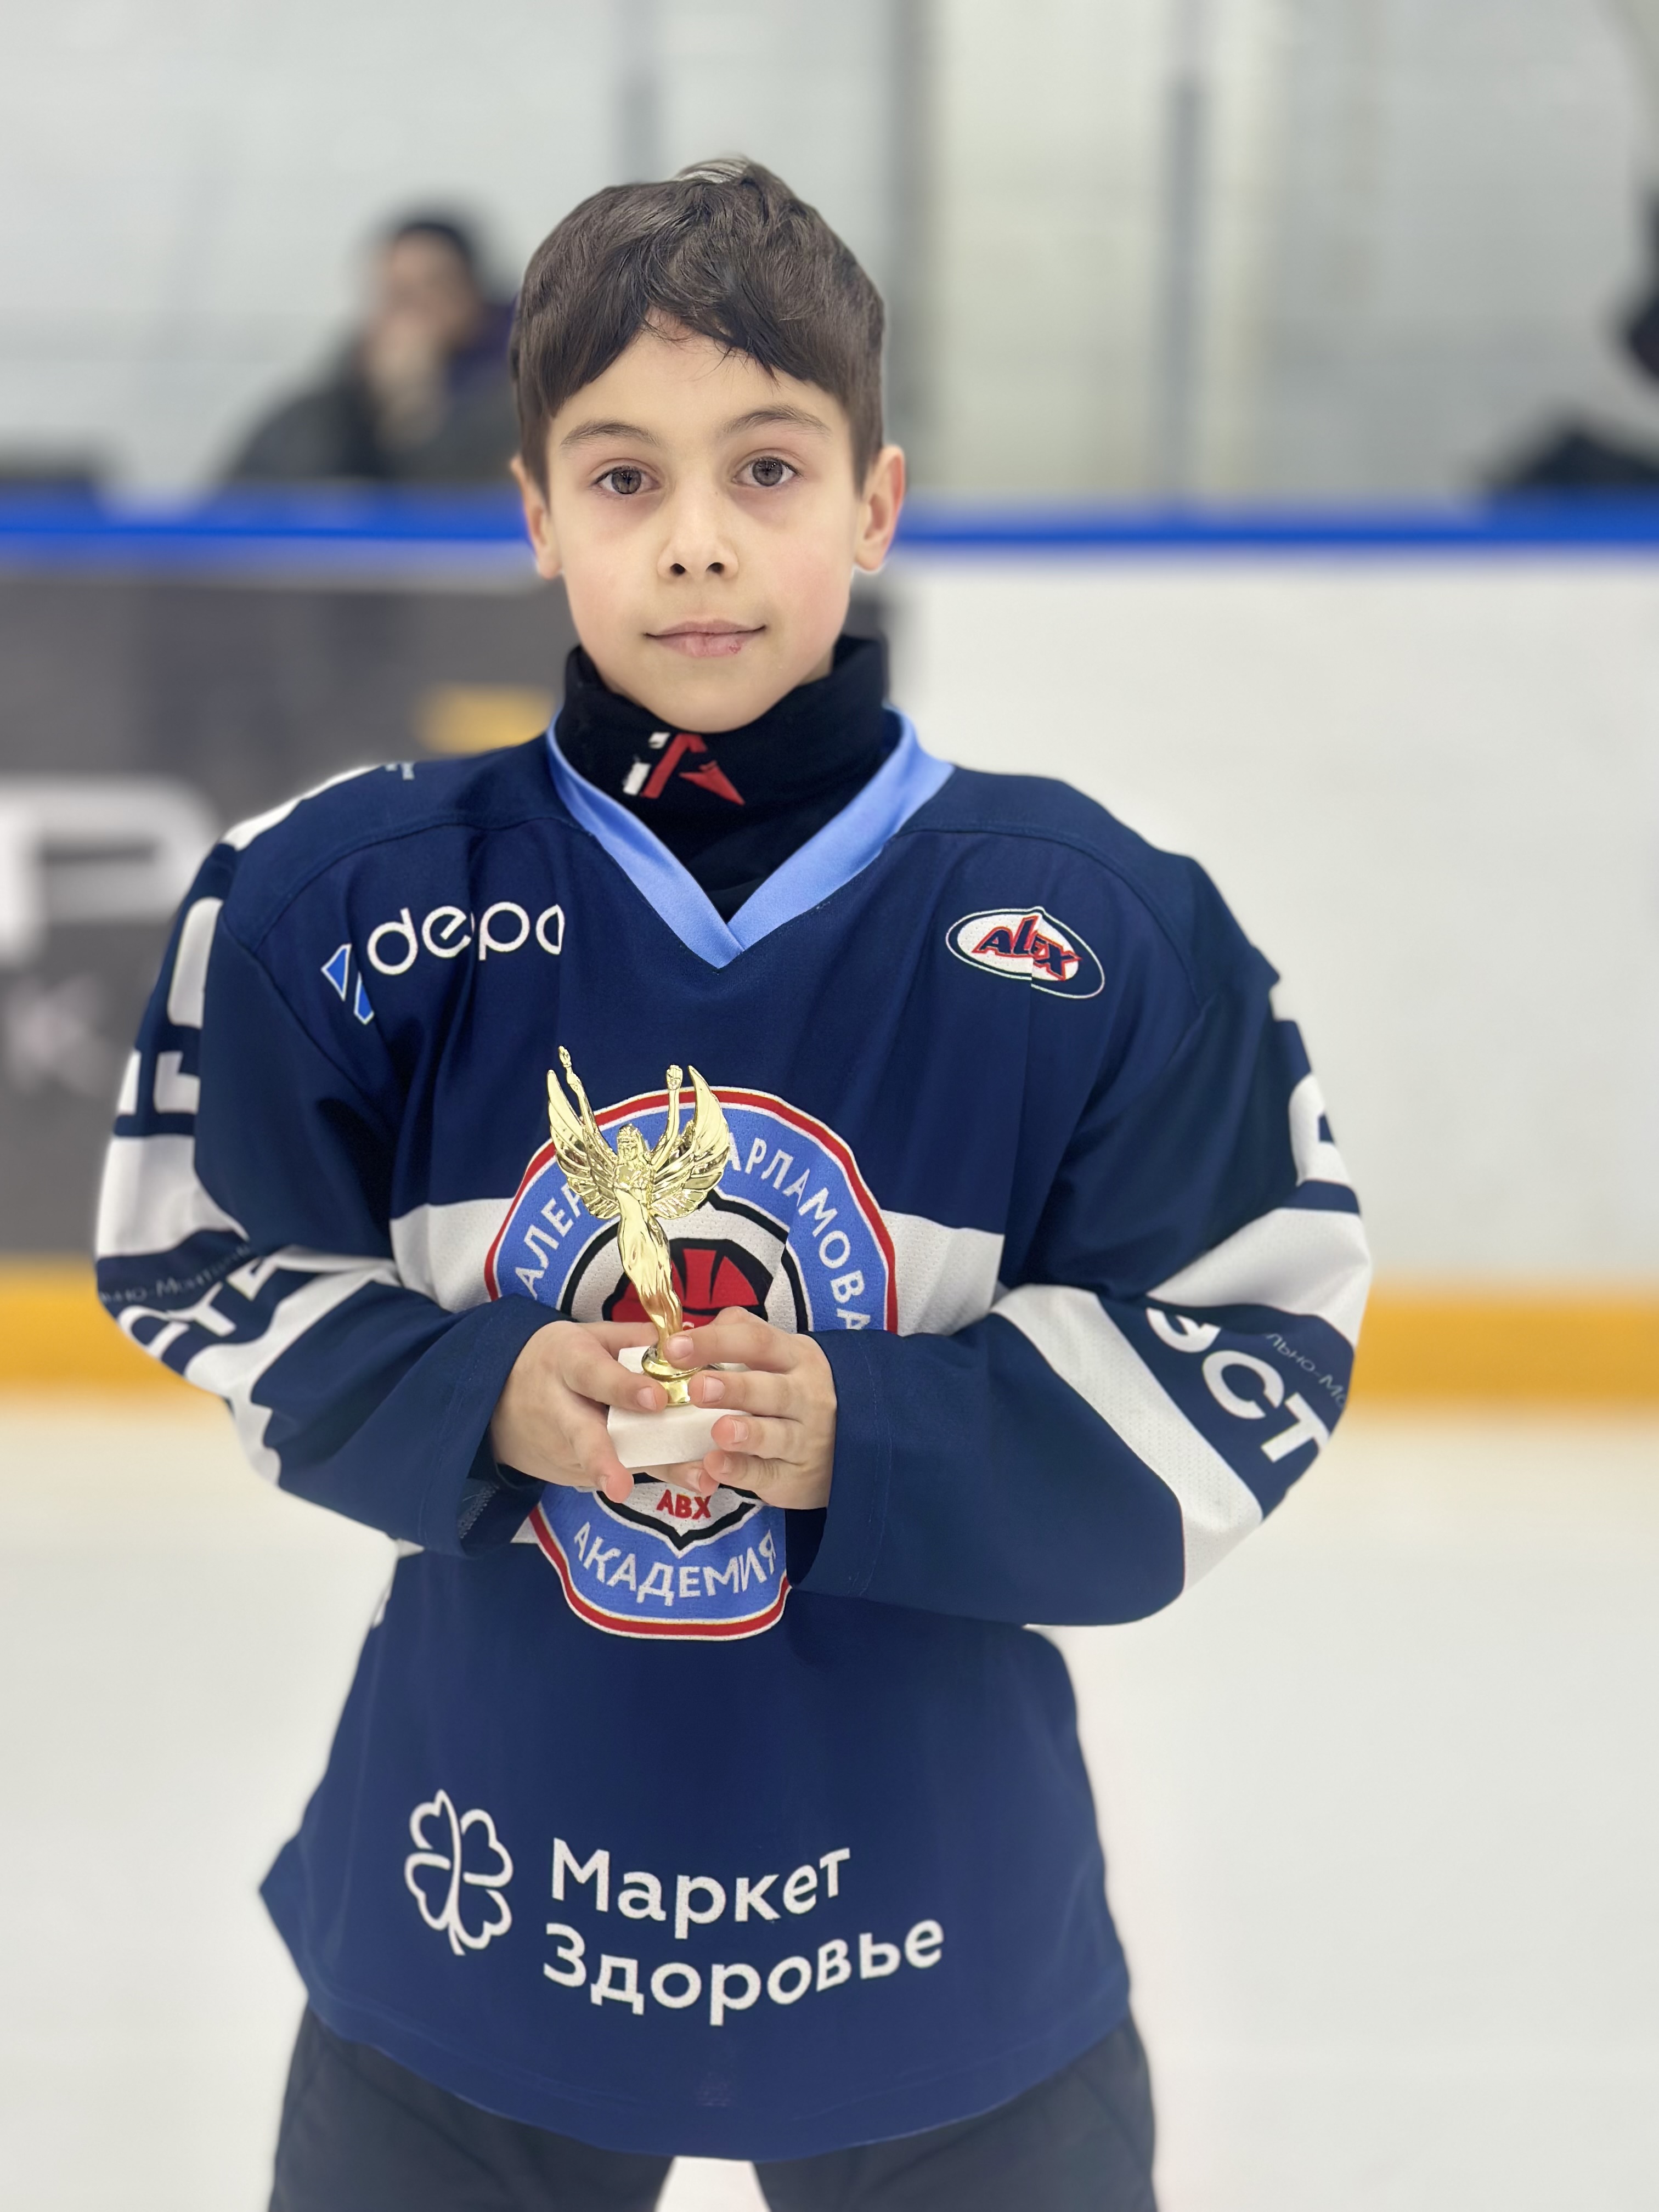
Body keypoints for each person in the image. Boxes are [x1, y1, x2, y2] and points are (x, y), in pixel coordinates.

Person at [96, 159, 1370, 2210]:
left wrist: (871, 1426)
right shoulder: (339, 901)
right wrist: (479, 1390)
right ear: (534, 513)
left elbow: (1252, 1338)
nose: (695, 540)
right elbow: (200, 1251)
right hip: (475, 1907)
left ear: (873, 501)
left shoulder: (1097, 922)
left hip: (935, 1935)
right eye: (622, 478)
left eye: (766, 469)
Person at [225, 213, 516, 484]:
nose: (412, 310)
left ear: (473, 291)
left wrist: (413, 410)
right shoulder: (320, 410)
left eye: (432, 287)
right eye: (397, 292)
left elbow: (464, 502)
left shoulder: (519, 406)